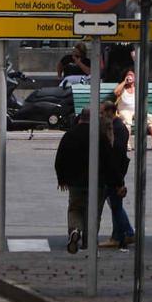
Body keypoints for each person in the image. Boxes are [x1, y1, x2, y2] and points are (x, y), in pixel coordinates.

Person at [54, 109, 120, 254]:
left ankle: (75, 230)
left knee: (75, 208)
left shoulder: (69, 135)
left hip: (75, 182)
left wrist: (62, 179)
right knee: (94, 212)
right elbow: (109, 160)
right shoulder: (99, 136)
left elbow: (60, 158)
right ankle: (88, 242)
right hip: (97, 182)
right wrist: (117, 183)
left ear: (80, 118)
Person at [99, 99, 135, 248]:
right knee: (115, 204)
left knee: (115, 204)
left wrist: (119, 180)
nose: (100, 115)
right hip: (114, 172)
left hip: (114, 173)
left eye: (102, 112)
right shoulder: (113, 126)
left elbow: (116, 154)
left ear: (109, 112)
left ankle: (127, 233)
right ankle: (119, 235)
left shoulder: (117, 128)